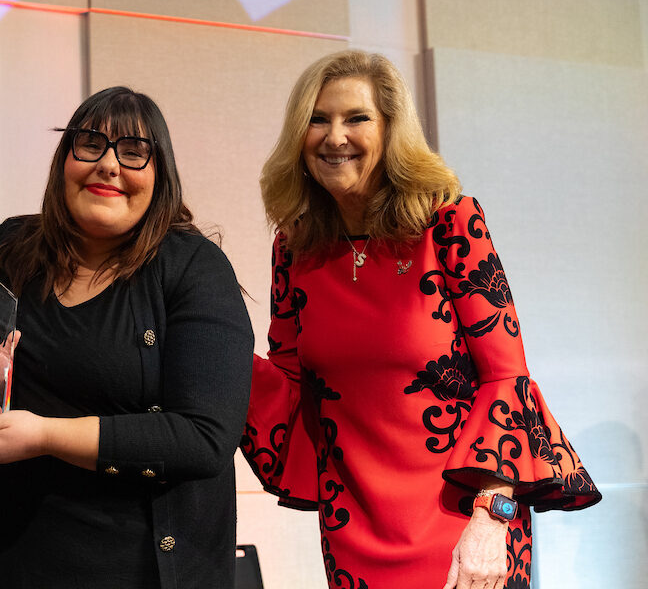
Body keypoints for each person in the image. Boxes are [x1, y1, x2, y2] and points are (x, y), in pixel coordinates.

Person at [241, 50, 600, 588]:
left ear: (391, 131)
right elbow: (289, 384)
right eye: (318, 119)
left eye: (356, 118)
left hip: (464, 523)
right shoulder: (294, 247)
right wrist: (198, 340)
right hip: (352, 526)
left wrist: (491, 520)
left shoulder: (450, 222)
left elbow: (507, 378)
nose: (334, 136)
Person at [0, 87, 254, 588]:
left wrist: (44, 436)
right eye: (90, 145)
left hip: (147, 571)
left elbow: (204, 439)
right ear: (65, 160)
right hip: (12, 565)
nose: (109, 165)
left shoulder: (193, 268)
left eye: (133, 152)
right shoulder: (5, 251)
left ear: (159, 176)